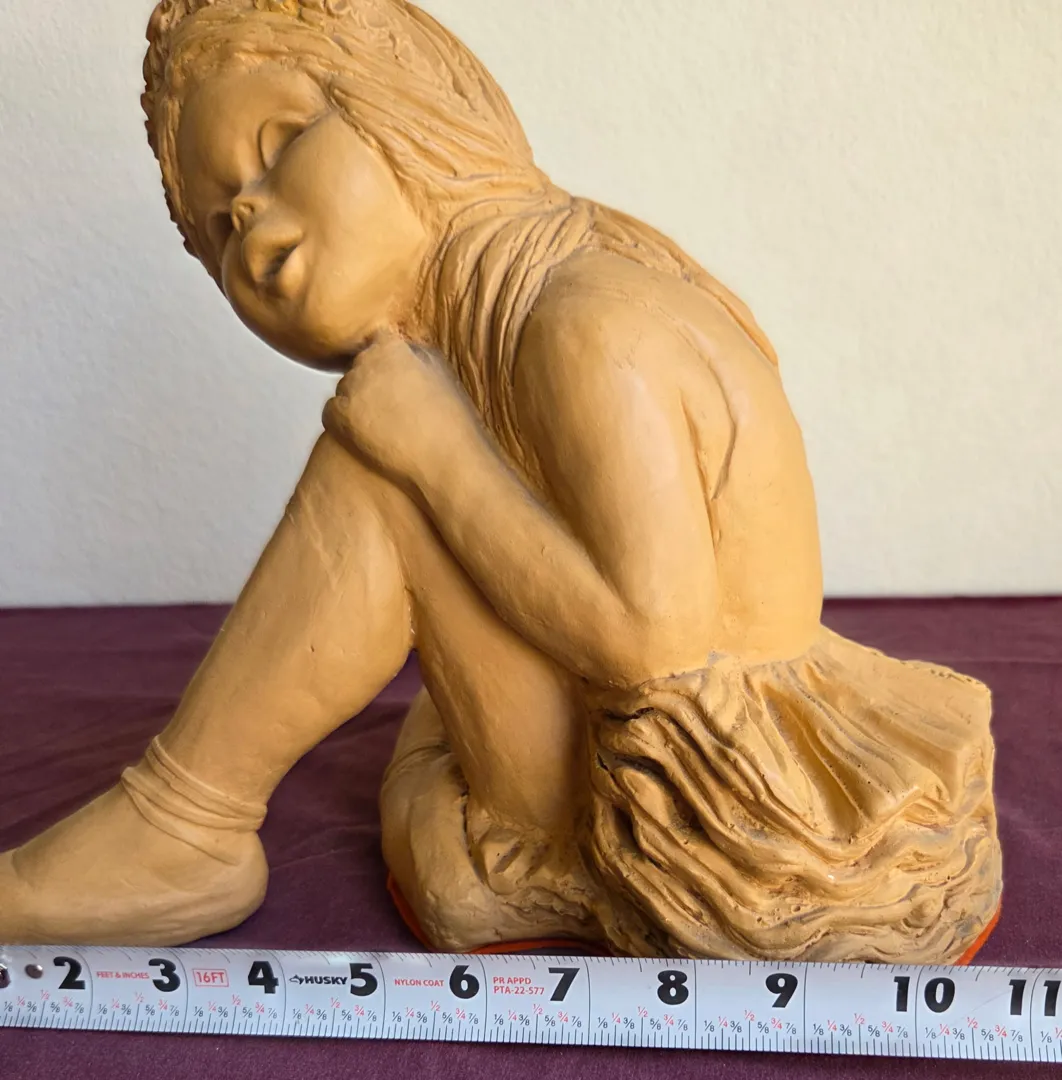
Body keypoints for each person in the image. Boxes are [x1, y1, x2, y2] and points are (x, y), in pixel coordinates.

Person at [0, 0, 1001, 962]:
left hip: (715, 788)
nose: (250, 215)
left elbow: (655, 644)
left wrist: (435, 453)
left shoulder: (585, 324)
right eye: (219, 227)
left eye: (283, 141)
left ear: (415, 114)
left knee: (383, 468)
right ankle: (211, 815)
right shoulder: (514, 314)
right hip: (654, 718)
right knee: (403, 454)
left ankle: (188, 820)